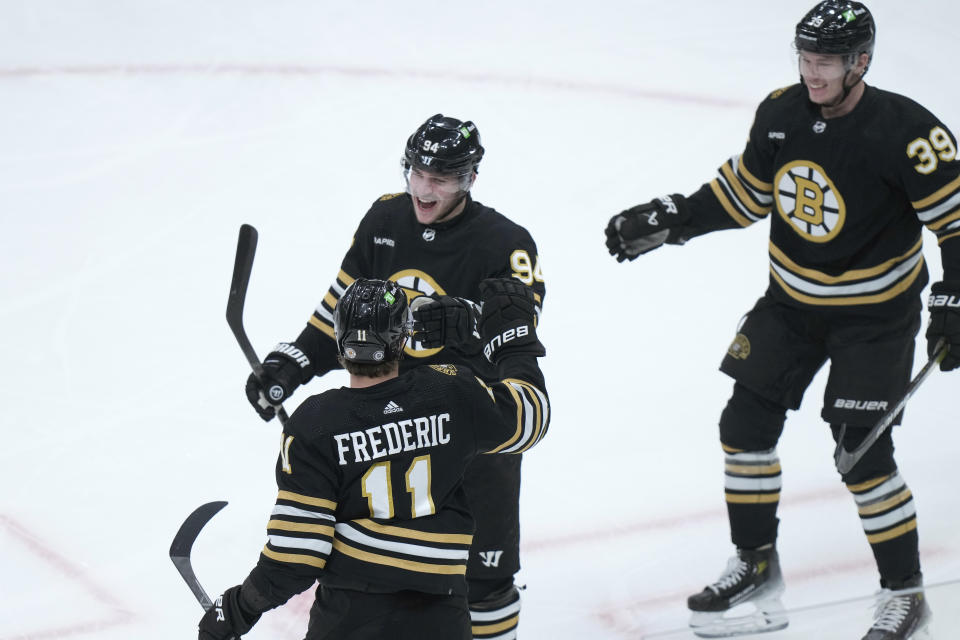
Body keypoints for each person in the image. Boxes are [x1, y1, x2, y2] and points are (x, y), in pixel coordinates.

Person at [604, 2, 959, 639]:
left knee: (861, 455)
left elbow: (957, 223)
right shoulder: (781, 111)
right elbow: (745, 194)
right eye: (805, 57)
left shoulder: (908, 132)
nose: (812, 72)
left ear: (861, 62)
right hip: (791, 306)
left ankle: (906, 595)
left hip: (874, 319)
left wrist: (955, 299)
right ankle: (757, 562)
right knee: (743, 425)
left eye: (825, 60)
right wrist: (673, 219)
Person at [245, 114, 546, 639]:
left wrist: (466, 319)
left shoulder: (506, 244)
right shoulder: (385, 219)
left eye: (443, 177)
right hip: (390, 427)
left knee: (486, 580)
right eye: (418, 172)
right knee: (391, 582)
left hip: (470, 427)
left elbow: (518, 327)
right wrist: (294, 361)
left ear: (470, 178)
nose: (425, 188)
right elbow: (342, 308)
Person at [200, 277, 549, 640]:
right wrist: (514, 343)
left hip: (350, 620)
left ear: (340, 340)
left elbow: (296, 556)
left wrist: (238, 608)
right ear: (402, 339)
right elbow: (531, 418)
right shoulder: (452, 390)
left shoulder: (315, 423)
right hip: (442, 618)